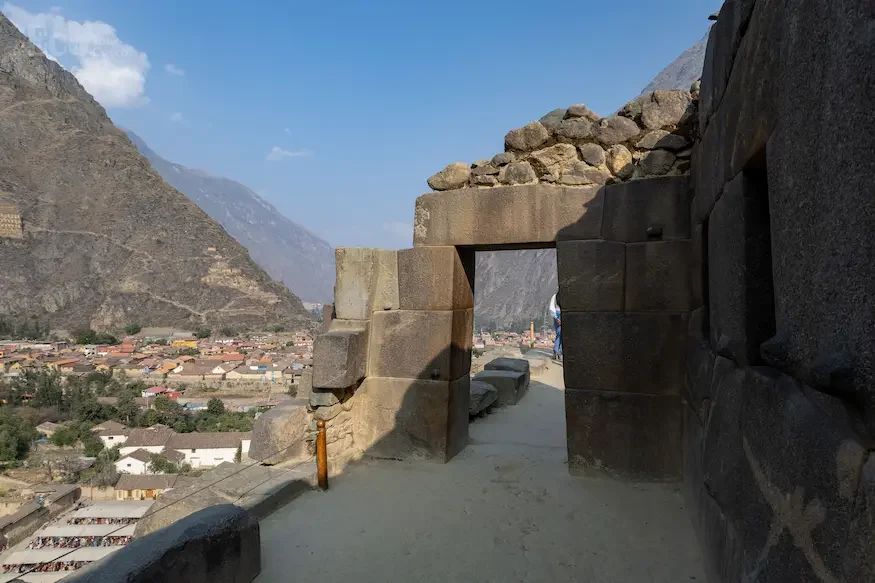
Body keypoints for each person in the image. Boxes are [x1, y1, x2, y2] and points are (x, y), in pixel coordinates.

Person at [549, 291, 562, 360]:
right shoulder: (555, 296)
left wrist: (556, 318)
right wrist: (557, 318)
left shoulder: (555, 296)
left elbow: (551, 308)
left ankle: (556, 351)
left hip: (557, 314)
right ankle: (558, 351)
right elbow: (552, 308)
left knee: (559, 334)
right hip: (558, 314)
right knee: (560, 333)